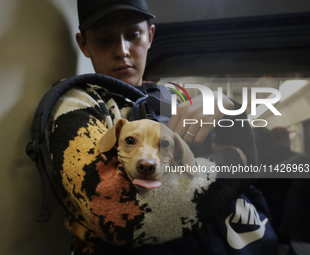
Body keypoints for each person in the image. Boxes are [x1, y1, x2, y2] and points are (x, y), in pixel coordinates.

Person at [45, 1, 276, 254]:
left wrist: (232, 109)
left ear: (150, 36)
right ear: (84, 45)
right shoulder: (77, 102)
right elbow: (120, 215)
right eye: (104, 39)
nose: (122, 51)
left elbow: (251, 166)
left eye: (133, 35)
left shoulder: (176, 97)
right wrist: (235, 159)